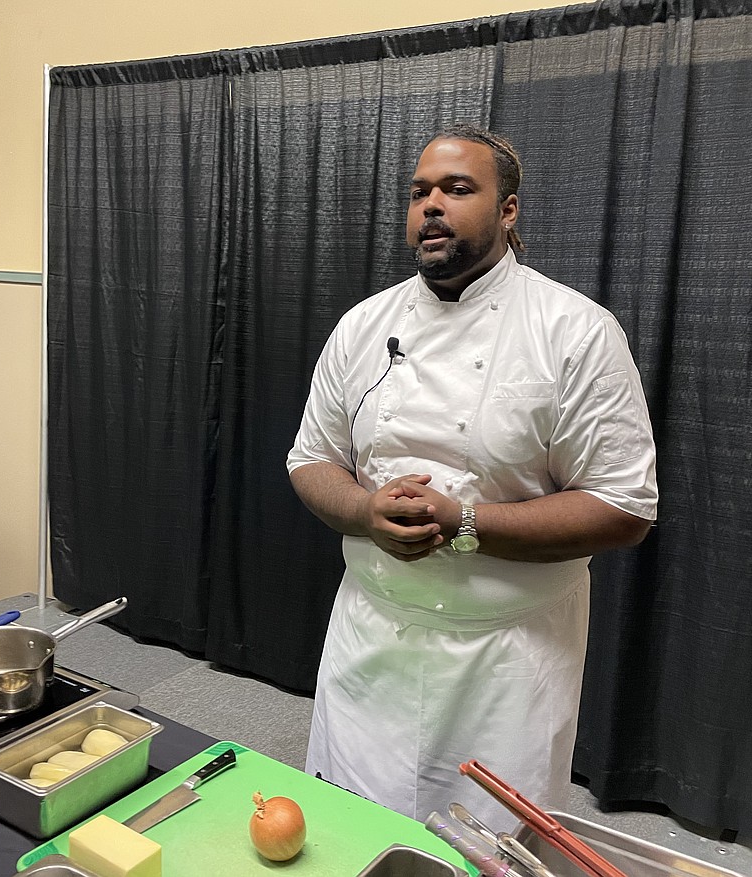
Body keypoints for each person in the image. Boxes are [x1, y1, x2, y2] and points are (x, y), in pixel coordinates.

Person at [286, 124, 658, 827]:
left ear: (508, 210)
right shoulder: (361, 326)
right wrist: (366, 513)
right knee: (353, 832)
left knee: (491, 843)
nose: (432, 204)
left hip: (507, 661)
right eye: (420, 190)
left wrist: (462, 523)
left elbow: (624, 506)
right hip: (373, 639)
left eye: (458, 189)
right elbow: (310, 459)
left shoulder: (574, 331)